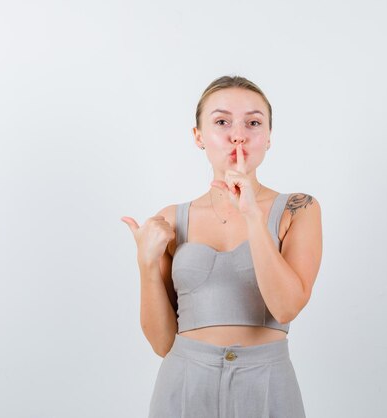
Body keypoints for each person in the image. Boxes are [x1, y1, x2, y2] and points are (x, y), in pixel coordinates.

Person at [121, 75, 322, 417]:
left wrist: (253, 217)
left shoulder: (298, 208)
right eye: (222, 121)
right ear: (198, 136)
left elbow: (286, 307)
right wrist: (145, 264)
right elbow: (162, 343)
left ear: (269, 137)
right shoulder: (171, 220)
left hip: (267, 382)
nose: (238, 134)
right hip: (185, 383)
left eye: (253, 122)